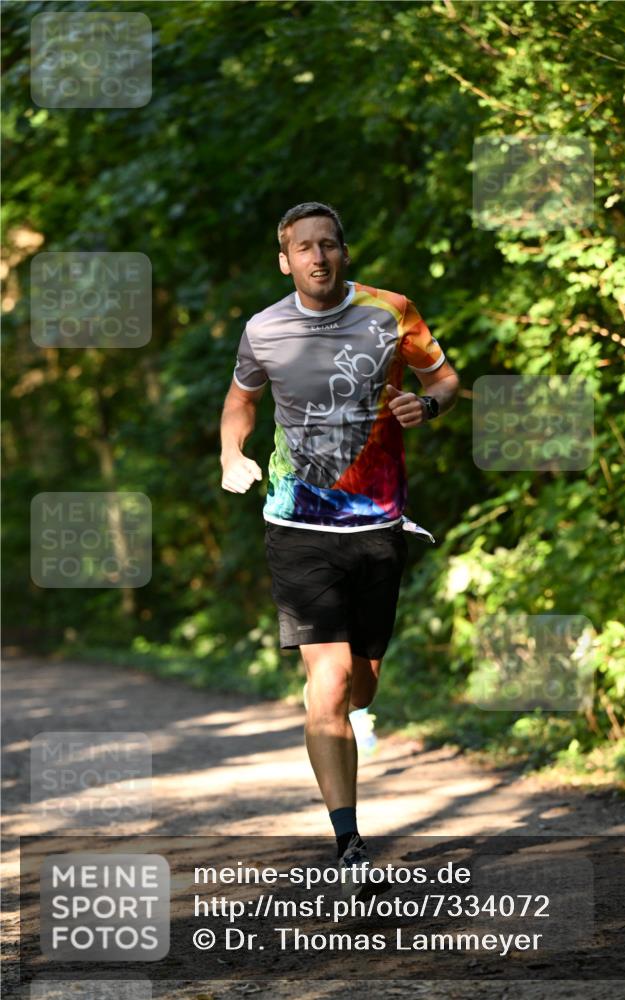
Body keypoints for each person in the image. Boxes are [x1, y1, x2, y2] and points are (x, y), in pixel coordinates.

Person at [220, 201, 459, 894]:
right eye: (303, 247)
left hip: (379, 524)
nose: (317, 257)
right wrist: (231, 455)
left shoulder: (392, 312)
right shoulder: (263, 328)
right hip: (297, 525)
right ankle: (349, 843)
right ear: (284, 260)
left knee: (361, 683)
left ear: (344, 253)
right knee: (324, 684)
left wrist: (430, 405)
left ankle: (357, 717)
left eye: (329, 244)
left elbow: (441, 379)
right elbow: (240, 400)